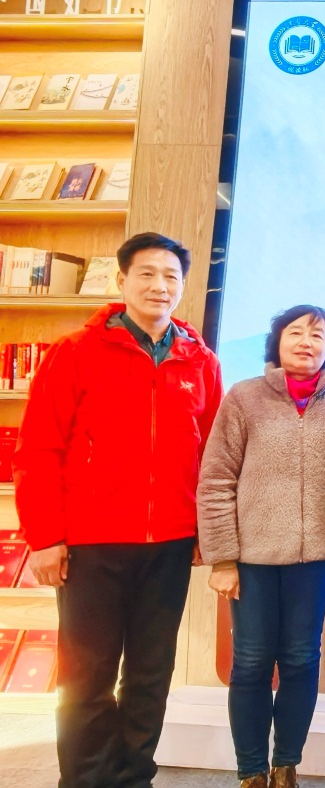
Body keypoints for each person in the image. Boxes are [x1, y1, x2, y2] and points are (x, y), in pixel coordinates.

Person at [14, 232, 223, 788]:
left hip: (170, 543)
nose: (160, 286)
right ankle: (86, 779)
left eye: (171, 277)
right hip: (92, 542)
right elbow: (38, 449)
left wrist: (206, 532)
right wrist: (45, 537)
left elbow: (212, 456)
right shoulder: (75, 352)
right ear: (122, 280)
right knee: (88, 675)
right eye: (147, 274)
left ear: (183, 286)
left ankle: (133, 777)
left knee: (151, 674)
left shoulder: (199, 361)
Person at [197, 305, 325, 788]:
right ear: (277, 342)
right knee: (251, 662)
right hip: (252, 560)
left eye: (318, 335)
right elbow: (215, 480)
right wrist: (222, 557)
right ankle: (251, 772)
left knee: (302, 660)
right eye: (295, 332)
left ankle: (286, 766)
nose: (306, 341)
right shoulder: (245, 397)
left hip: (314, 559)